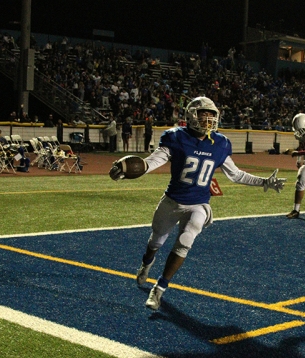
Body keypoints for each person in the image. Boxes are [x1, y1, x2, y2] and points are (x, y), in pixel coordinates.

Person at [110, 96, 286, 310]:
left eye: (212, 115)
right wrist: (128, 169)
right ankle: (146, 264)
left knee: (186, 240)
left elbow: (236, 175)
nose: (209, 120)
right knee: (155, 242)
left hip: (199, 204)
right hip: (172, 200)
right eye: (204, 114)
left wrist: (264, 182)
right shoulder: (175, 137)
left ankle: (159, 288)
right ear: (192, 115)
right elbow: (152, 162)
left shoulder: (220, 143)